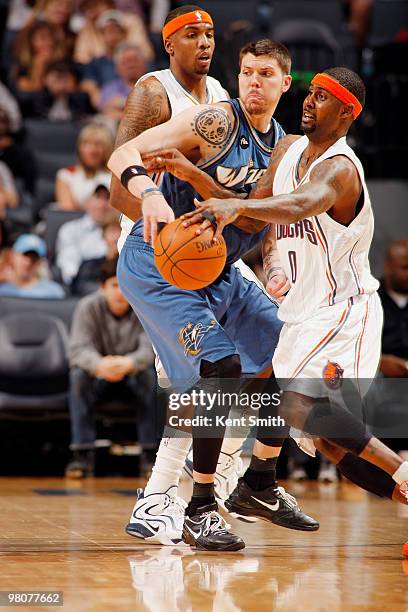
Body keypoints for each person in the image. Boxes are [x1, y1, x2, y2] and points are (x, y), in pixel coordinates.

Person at [108, 33, 319, 550]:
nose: (253, 82)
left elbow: (255, 216)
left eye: (265, 74)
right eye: (247, 72)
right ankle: (199, 505)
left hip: (217, 267)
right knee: (217, 370)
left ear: (285, 84)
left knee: (290, 355)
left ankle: (259, 483)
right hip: (160, 260)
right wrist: (152, 191)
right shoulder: (217, 121)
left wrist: (272, 263)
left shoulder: (285, 148)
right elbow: (124, 154)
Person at [181, 66, 408, 515]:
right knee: (326, 441)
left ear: (345, 114)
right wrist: (193, 178)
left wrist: (237, 204)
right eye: (310, 93)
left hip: (344, 311)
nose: (308, 100)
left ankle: (403, 473)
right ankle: (262, 481)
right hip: (301, 312)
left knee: (295, 403)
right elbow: (253, 218)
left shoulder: (341, 170)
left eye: (322, 97)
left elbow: (303, 203)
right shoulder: (287, 149)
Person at [66, 256, 155, 477]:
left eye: (124, 286)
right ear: (102, 288)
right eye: (114, 286)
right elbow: (77, 350)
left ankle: (149, 455)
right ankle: (82, 456)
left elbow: (150, 351)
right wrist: (99, 365)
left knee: (150, 377)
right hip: (99, 375)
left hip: (132, 374)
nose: (119, 292)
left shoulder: (143, 308)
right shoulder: (87, 307)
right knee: (78, 377)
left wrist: (129, 363)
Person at [55, 184, 115, 285]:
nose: (102, 204)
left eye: (107, 198)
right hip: (83, 282)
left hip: (112, 283)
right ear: (87, 202)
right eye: (97, 197)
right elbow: (68, 267)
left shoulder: (120, 230)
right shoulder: (71, 229)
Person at [55, 123, 113, 211]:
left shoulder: (115, 176)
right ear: (79, 147)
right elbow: (67, 211)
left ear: (107, 148)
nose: (92, 150)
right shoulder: (66, 175)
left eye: (98, 144)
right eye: (86, 144)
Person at [0, 233, 65, 298]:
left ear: (40, 263)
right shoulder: (3, 290)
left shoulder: (53, 292)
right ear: (13, 256)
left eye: (34, 258)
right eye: (25, 255)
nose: (28, 262)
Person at [98, 43, 147, 120]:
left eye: (135, 60)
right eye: (126, 61)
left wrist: (122, 104)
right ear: (117, 67)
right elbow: (106, 109)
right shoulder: (110, 88)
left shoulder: (153, 84)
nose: (131, 65)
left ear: (144, 64)